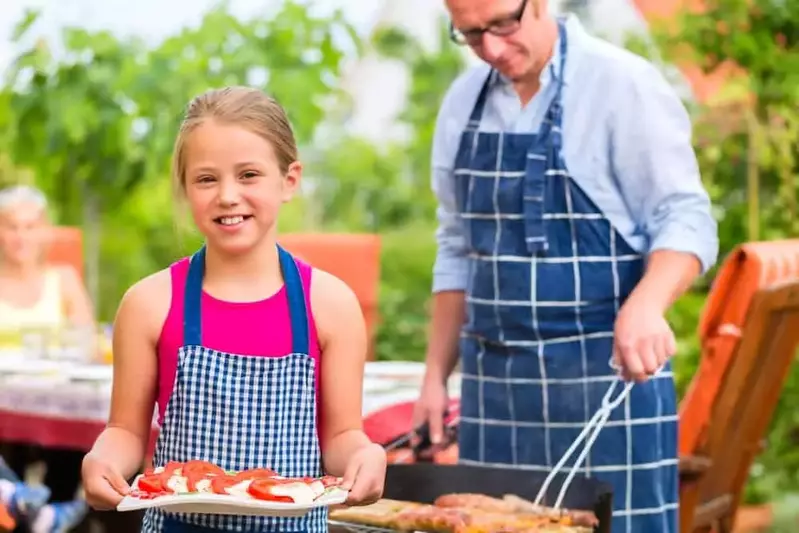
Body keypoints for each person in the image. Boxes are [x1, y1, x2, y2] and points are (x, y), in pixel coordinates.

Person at [412, 1, 719, 531]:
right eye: (470, 34)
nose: (491, 49)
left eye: (503, 24)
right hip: (495, 391)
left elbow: (684, 217)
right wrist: (435, 376)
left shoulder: (621, 85)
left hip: (608, 388)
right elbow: (457, 246)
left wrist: (647, 304)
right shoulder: (463, 102)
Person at [81, 86, 386, 533]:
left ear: (289, 180)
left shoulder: (330, 305)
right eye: (206, 179)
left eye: (248, 175)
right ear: (185, 188)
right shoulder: (149, 303)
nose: (227, 195)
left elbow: (340, 436)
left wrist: (363, 455)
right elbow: (126, 430)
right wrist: (103, 458)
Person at [0, 184, 93, 532]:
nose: (21, 236)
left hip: (57, 403)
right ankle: (35, 515)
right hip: (4, 408)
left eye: (30, 226)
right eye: (11, 226)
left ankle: (41, 511)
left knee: (74, 438)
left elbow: (88, 347)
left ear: (43, 231)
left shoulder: (63, 280)